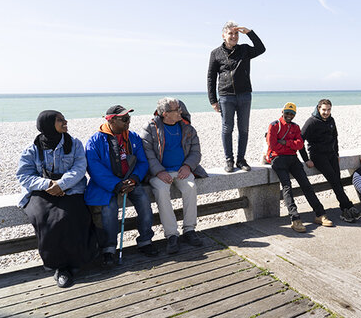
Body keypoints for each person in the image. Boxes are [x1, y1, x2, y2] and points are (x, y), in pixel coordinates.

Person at [16, 110, 98, 288]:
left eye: (64, 119)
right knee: (45, 218)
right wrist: (48, 185)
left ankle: (79, 260)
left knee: (72, 215)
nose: (65, 122)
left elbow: (79, 168)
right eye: (60, 120)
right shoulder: (33, 149)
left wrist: (61, 184)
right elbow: (24, 175)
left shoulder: (74, 144)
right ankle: (60, 267)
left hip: (69, 189)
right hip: (41, 192)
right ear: (46, 124)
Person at [85, 105, 158, 267]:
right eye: (124, 119)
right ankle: (109, 249)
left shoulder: (133, 137)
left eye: (129, 118)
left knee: (144, 202)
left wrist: (133, 179)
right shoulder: (95, 141)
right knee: (109, 209)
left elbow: (142, 161)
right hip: (106, 185)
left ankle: (145, 240)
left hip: (130, 181)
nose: (128, 122)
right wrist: (116, 184)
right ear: (110, 120)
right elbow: (94, 168)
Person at [140, 98, 204, 254]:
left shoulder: (187, 128)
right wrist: (159, 171)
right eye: (177, 110)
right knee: (161, 192)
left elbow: (196, 152)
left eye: (180, 109)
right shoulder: (150, 128)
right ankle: (171, 235)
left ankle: (189, 230)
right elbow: (147, 154)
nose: (180, 112)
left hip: (183, 170)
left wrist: (188, 166)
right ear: (165, 114)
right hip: (159, 173)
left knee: (190, 188)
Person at [207, 21, 266, 173]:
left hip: (245, 95)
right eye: (230, 33)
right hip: (226, 96)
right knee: (227, 128)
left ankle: (241, 159)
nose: (233, 36)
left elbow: (261, 48)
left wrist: (249, 33)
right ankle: (229, 160)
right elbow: (211, 77)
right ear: (223, 36)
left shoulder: (245, 50)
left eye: (236, 34)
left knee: (244, 129)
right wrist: (213, 100)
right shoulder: (215, 53)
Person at [266, 102, 334, 233]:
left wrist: (286, 142)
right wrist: (292, 145)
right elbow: (273, 146)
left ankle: (320, 214)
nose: (289, 115)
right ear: (282, 112)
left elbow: (300, 144)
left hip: (293, 158)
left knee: (306, 185)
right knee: (287, 187)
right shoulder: (274, 126)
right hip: (278, 159)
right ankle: (295, 218)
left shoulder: (296, 127)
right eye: (287, 113)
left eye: (292, 114)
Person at [299, 99, 361, 223]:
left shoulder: (331, 120)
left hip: (331, 155)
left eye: (328, 110)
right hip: (318, 156)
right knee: (334, 180)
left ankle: (346, 208)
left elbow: (335, 138)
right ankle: (347, 207)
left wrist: (337, 153)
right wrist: (306, 159)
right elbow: (299, 141)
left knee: (337, 181)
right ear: (318, 108)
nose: (326, 112)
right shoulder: (311, 122)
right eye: (323, 110)